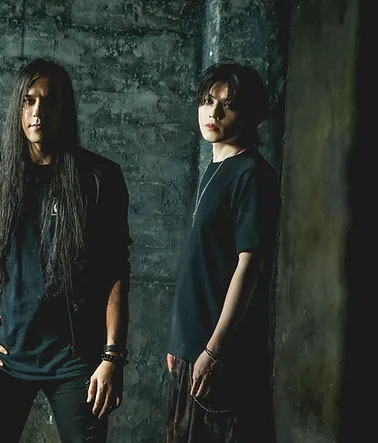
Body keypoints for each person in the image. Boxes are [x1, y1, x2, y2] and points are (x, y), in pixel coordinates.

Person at [0, 58, 131, 442]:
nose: (38, 111)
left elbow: (115, 271)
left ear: (64, 110)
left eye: (49, 102)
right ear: (18, 108)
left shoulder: (99, 178)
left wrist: (112, 356)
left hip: (74, 357)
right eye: (29, 100)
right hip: (4, 350)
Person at [166, 62, 279, 442]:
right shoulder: (216, 168)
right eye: (207, 101)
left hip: (221, 355)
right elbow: (201, 264)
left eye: (227, 105)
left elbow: (249, 267)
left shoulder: (252, 175)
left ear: (249, 114)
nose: (213, 113)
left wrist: (214, 351)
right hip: (191, 349)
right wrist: (180, 341)